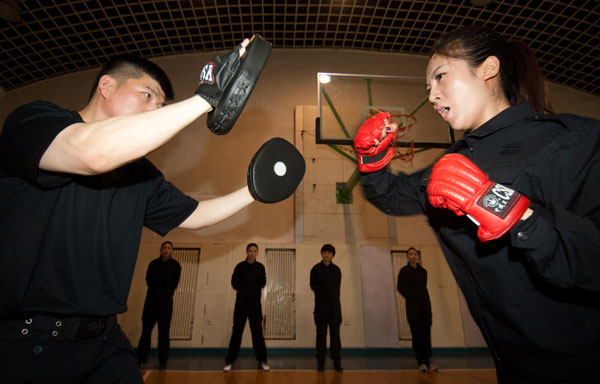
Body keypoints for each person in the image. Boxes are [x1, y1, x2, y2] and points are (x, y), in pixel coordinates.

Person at [0, 39, 261, 384]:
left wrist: (256, 191)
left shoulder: (142, 175)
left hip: (104, 344)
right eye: (148, 95)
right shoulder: (35, 121)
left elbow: (196, 215)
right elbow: (91, 154)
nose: (156, 108)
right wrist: (203, 98)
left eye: (161, 103)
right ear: (106, 86)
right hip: (27, 346)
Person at [355, 26, 600, 383]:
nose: (433, 96)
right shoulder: (451, 165)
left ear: (488, 69)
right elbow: (391, 197)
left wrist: (512, 212)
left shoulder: (569, 141)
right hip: (513, 363)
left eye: (440, 78)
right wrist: (372, 162)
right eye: (427, 89)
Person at [224, 243, 269, 372]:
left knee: (257, 334)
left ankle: (262, 361)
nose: (252, 253)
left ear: (257, 253)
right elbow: (234, 283)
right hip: (241, 305)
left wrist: (252, 289)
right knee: (237, 333)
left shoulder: (260, 267)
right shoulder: (239, 267)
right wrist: (245, 289)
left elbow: (263, 282)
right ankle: (230, 361)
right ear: (247, 252)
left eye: (254, 251)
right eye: (250, 251)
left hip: (255, 306)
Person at [137, 241, 181, 371]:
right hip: (150, 303)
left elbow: (174, 283)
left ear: (171, 251)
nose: (167, 250)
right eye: (164, 248)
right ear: (161, 249)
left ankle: (163, 361)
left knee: (163, 333)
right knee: (145, 332)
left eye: (169, 248)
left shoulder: (175, 266)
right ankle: (141, 359)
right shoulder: (153, 264)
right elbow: (148, 280)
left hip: (165, 304)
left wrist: (164, 291)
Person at [397, 247, 436, 372]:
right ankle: (420, 361)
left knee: (426, 333)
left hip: (425, 306)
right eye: (411, 254)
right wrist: (411, 297)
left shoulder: (423, 271)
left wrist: (427, 306)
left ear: (418, 256)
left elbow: (424, 289)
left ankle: (428, 361)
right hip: (412, 307)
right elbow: (400, 287)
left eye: (415, 254)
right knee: (416, 333)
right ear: (407, 257)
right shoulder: (404, 271)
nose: (413, 256)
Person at [310, 244, 343, 372]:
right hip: (320, 308)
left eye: (329, 253)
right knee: (321, 335)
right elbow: (312, 285)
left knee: (335, 335)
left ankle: (337, 362)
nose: (327, 255)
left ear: (332, 255)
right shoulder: (316, 269)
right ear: (322, 253)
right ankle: (321, 362)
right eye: (325, 252)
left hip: (334, 308)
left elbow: (337, 287)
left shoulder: (337, 270)